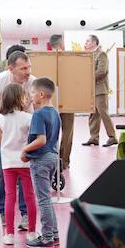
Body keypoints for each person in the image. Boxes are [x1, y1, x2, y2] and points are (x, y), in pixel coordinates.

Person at [0, 50, 35, 225]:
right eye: (23, 68)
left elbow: (40, 112)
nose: (27, 72)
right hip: (2, 129)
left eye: (29, 67)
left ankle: (26, 214)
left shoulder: (33, 83)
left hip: (25, 131)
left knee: (26, 173)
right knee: (2, 172)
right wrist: (2, 128)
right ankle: (3, 212)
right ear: (10, 68)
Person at [0, 82, 35, 246]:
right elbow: (33, 139)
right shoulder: (28, 118)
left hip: (8, 163)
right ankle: (31, 232)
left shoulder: (0, 119)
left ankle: (9, 234)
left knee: (10, 197)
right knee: (29, 196)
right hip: (25, 162)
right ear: (19, 98)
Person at [22, 76, 61, 248]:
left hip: (41, 159)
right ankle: (54, 233)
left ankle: (46, 238)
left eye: (32, 93)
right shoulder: (55, 113)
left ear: (41, 94)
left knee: (43, 199)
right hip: (53, 157)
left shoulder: (38, 114)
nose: (30, 96)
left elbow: (41, 139)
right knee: (47, 198)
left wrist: (25, 150)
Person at [81, 34, 118, 147]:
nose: (85, 43)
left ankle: (112, 137)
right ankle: (94, 138)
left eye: (87, 41)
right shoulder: (89, 56)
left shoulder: (101, 54)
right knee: (93, 115)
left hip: (100, 89)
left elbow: (102, 72)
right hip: (92, 90)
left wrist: (88, 77)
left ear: (94, 43)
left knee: (103, 113)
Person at [47, 34, 75, 171]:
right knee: (67, 132)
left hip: (50, 100)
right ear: (61, 43)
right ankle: (64, 162)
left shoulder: (45, 59)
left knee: (51, 132)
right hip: (69, 99)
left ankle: (52, 161)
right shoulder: (70, 59)